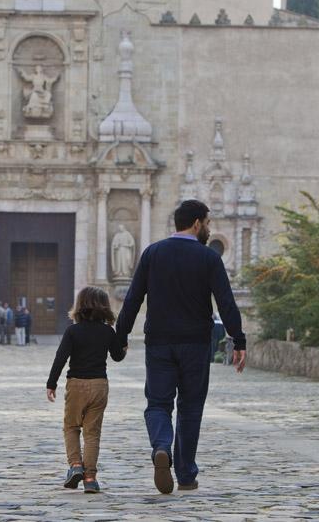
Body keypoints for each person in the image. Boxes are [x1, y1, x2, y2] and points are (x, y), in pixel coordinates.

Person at [116, 199, 247, 494]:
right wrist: (238, 339)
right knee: (190, 407)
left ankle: (162, 446)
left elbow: (133, 299)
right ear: (198, 223)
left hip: (159, 343)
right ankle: (186, 474)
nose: (209, 229)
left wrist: (120, 336)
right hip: (195, 344)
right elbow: (226, 302)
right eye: (208, 223)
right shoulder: (208, 259)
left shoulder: (152, 253)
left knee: (158, 403)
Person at [46, 287, 127, 494]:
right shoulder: (107, 331)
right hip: (99, 385)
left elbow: (60, 357)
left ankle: (75, 466)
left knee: (71, 427)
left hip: (76, 384)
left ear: (79, 306)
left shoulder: (73, 331)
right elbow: (117, 356)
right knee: (92, 433)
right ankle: (90, 478)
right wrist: (123, 346)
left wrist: (51, 383)